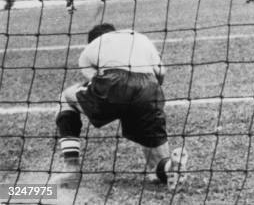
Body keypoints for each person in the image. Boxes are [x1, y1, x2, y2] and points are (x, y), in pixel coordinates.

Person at [53, 23, 188, 190]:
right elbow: (161, 73)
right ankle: (170, 167)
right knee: (156, 168)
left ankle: (72, 168)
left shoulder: (89, 50)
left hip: (113, 86)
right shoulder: (140, 38)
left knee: (66, 98)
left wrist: (120, 104)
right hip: (149, 89)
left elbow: (96, 82)